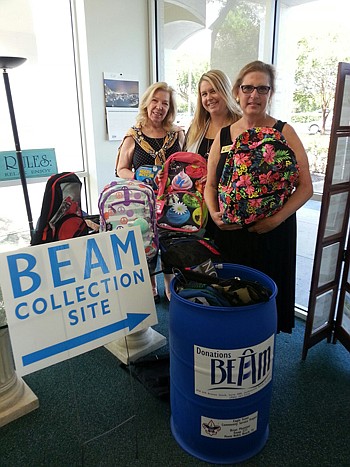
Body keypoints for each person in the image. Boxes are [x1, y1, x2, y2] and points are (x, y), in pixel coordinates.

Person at [204, 60, 313, 333]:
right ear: (238, 92)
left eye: (262, 89)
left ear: (270, 93)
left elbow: (305, 187)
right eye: (248, 88)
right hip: (229, 233)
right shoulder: (224, 135)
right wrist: (214, 215)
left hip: (271, 235)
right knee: (230, 297)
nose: (254, 95)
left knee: (264, 302)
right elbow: (210, 184)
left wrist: (275, 220)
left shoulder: (283, 132)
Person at [116, 81, 185, 303]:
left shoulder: (177, 134)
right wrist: (139, 177)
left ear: (170, 108)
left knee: (170, 245)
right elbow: (121, 169)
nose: (159, 106)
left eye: (165, 103)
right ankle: (151, 285)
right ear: (146, 103)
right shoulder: (133, 135)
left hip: (173, 201)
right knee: (146, 244)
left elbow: (183, 165)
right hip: (143, 201)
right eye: (155, 100)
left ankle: (168, 285)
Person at [185, 69, 241, 239]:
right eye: (204, 94)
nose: (209, 98)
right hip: (197, 208)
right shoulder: (196, 129)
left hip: (229, 210)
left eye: (213, 91)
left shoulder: (241, 126)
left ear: (225, 91)